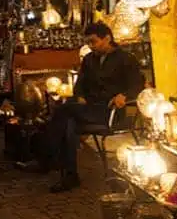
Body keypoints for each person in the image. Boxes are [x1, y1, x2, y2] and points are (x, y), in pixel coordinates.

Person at [45, 21, 144, 193]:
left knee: (63, 111)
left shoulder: (126, 59)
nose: (91, 46)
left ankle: (47, 158)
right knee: (68, 123)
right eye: (88, 43)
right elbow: (79, 85)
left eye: (93, 42)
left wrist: (124, 95)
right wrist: (81, 96)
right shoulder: (90, 59)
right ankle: (69, 175)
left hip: (110, 112)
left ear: (107, 38)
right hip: (87, 109)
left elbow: (137, 84)